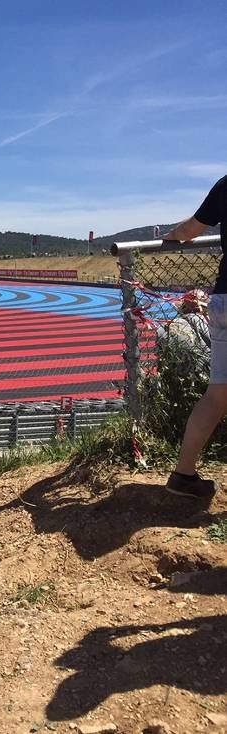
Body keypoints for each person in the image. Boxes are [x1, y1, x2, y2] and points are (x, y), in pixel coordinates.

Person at [163, 174, 227, 499]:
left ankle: (183, 474)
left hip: (225, 300)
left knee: (217, 397)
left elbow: (188, 231)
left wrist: (169, 237)